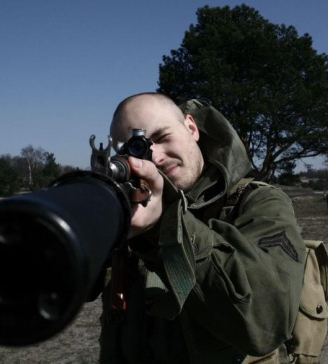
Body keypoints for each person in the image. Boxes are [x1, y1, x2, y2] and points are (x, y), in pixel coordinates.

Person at [96, 92, 305, 363]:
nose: (154, 157)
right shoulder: (129, 215)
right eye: (133, 149)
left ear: (191, 128)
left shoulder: (259, 202)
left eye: (161, 137)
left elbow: (265, 327)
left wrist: (165, 225)